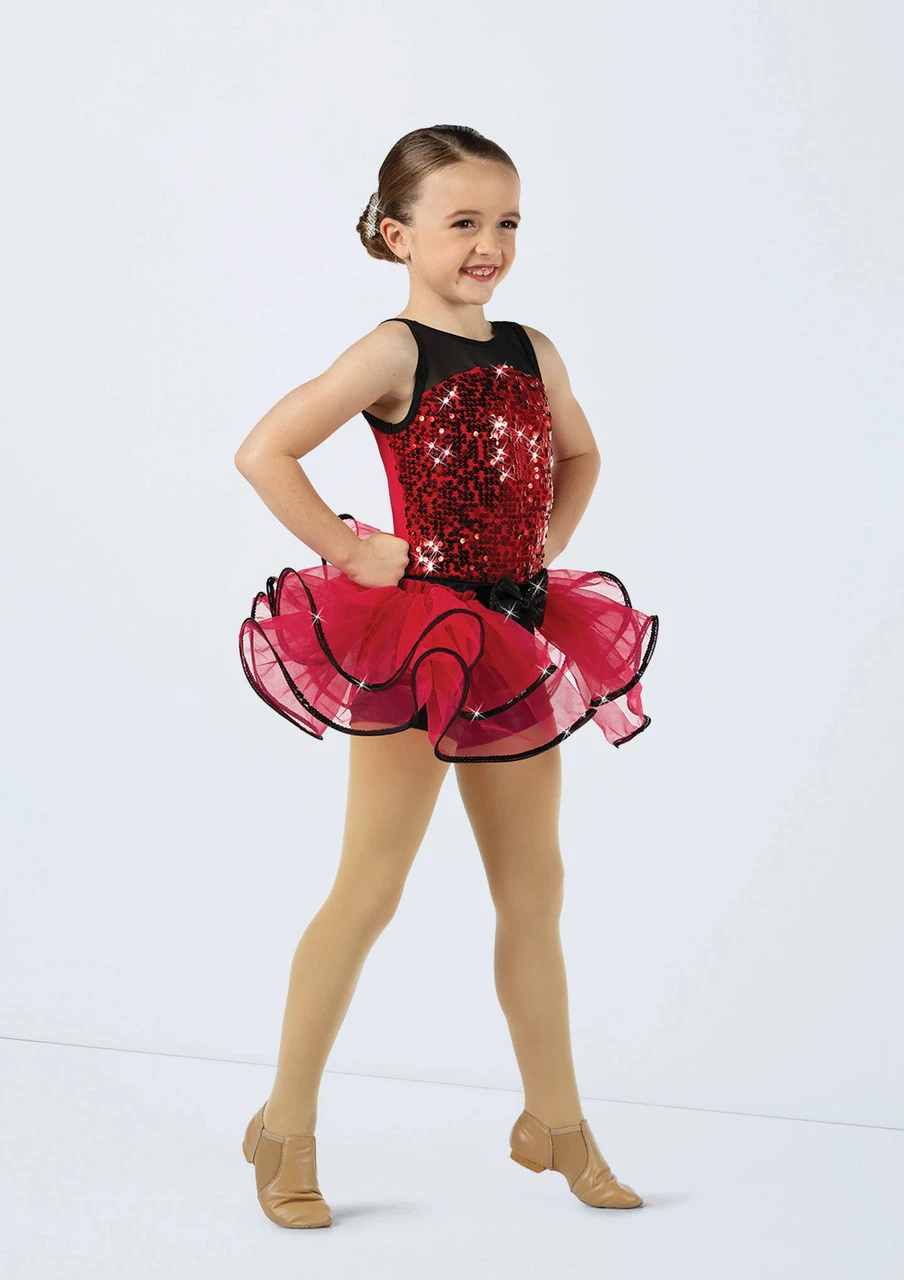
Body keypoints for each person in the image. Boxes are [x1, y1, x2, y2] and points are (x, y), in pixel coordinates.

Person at [234, 124, 658, 1229]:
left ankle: (556, 1122)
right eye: (463, 222)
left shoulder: (531, 349)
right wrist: (349, 548)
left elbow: (580, 453)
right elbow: (264, 450)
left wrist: (544, 545)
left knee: (535, 890)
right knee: (370, 889)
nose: (489, 245)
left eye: (506, 221)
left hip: (511, 634)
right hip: (419, 639)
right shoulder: (393, 351)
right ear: (397, 234)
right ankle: (284, 1125)